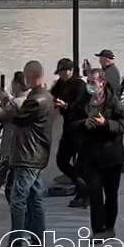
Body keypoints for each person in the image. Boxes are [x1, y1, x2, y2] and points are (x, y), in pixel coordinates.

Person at [0, 60, 53, 247]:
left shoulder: (36, 99)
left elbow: (18, 117)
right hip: (37, 153)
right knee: (34, 198)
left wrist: (6, 100)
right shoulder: (45, 95)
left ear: (30, 76)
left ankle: (16, 244)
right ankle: (36, 241)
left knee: (18, 199)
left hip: (27, 155)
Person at [71, 66, 124, 239]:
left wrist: (106, 123)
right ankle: (97, 230)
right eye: (88, 82)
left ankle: (109, 228)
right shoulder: (82, 101)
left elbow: (123, 125)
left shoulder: (113, 101)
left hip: (111, 157)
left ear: (102, 83)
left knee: (111, 194)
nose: (90, 85)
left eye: (93, 82)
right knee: (95, 193)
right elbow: (71, 123)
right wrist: (83, 124)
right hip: (90, 157)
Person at [48, 59, 87, 203]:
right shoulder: (60, 84)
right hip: (68, 127)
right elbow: (51, 96)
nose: (62, 75)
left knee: (80, 163)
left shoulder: (80, 84)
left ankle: (82, 193)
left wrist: (66, 106)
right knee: (62, 161)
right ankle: (81, 186)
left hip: (80, 127)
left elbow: (80, 105)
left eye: (64, 71)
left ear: (71, 70)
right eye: (60, 72)